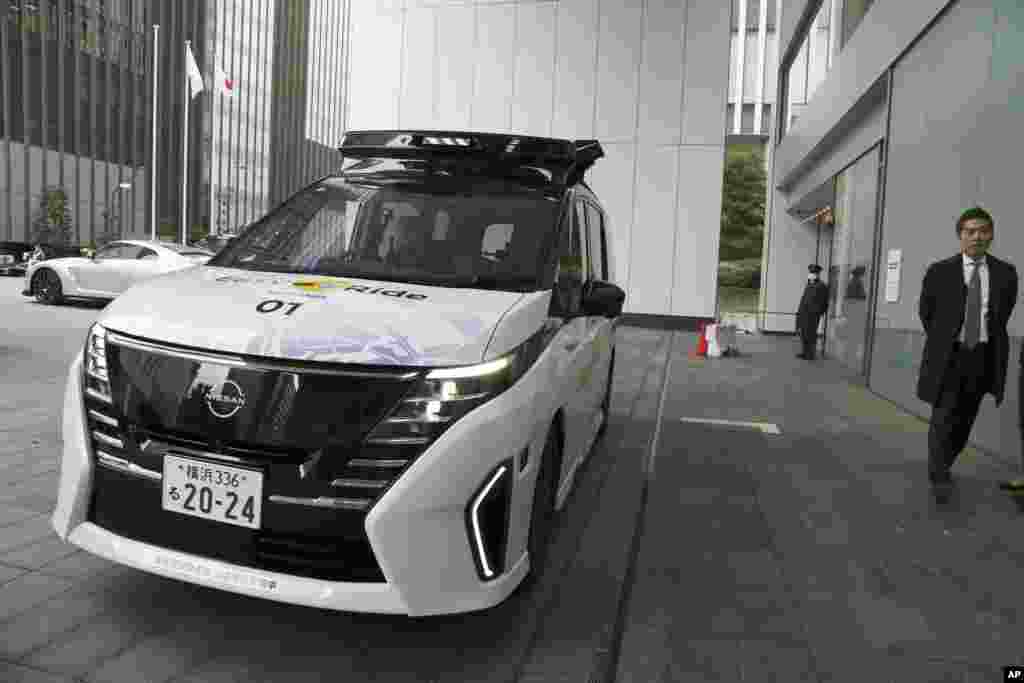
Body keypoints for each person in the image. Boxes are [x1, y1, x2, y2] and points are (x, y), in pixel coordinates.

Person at [917, 207, 1018, 498]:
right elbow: (927, 313)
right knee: (943, 416)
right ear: (960, 236)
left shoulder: (1006, 273)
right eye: (970, 231)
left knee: (965, 419)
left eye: (983, 231)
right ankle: (938, 475)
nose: (977, 237)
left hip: (983, 357)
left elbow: (1002, 315)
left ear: (992, 235)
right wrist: (946, 339)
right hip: (950, 356)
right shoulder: (939, 271)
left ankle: (945, 461)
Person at [796, 263, 829, 360]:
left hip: (813, 315)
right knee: (804, 333)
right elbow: (804, 299)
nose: (811, 274)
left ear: (818, 274)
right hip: (804, 313)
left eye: (814, 272)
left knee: (811, 334)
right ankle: (805, 352)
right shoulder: (809, 284)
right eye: (811, 272)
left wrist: (818, 313)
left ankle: (810, 354)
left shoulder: (821, 285)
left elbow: (824, 302)